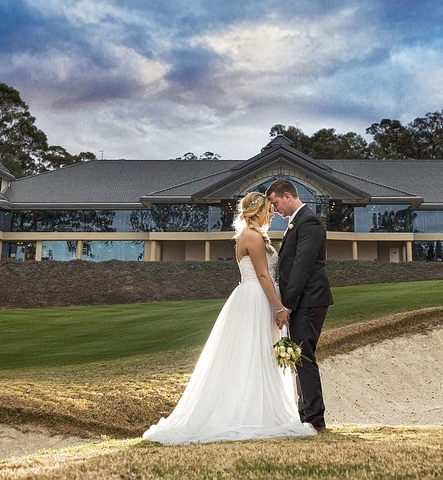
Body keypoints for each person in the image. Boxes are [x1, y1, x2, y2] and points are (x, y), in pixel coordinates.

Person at [142, 192, 316, 445]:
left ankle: (258, 407)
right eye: (268, 210)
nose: (271, 214)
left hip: (258, 296)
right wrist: (280, 308)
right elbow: (263, 276)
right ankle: (247, 413)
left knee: (257, 353)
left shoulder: (254, 236)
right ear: (257, 212)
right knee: (251, 352)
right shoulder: (252, 237)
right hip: (257, 298)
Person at [266, 178, 332, 432]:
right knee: (301, 357)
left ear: (287, 196)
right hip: (303, 301)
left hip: (311, 300)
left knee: (304, 356)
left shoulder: (310, 222)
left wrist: (287, 307)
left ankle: (315, 418)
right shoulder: (297, 223)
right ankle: (307, 414)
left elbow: (302, 267)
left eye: (275, 203)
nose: (275, 210)